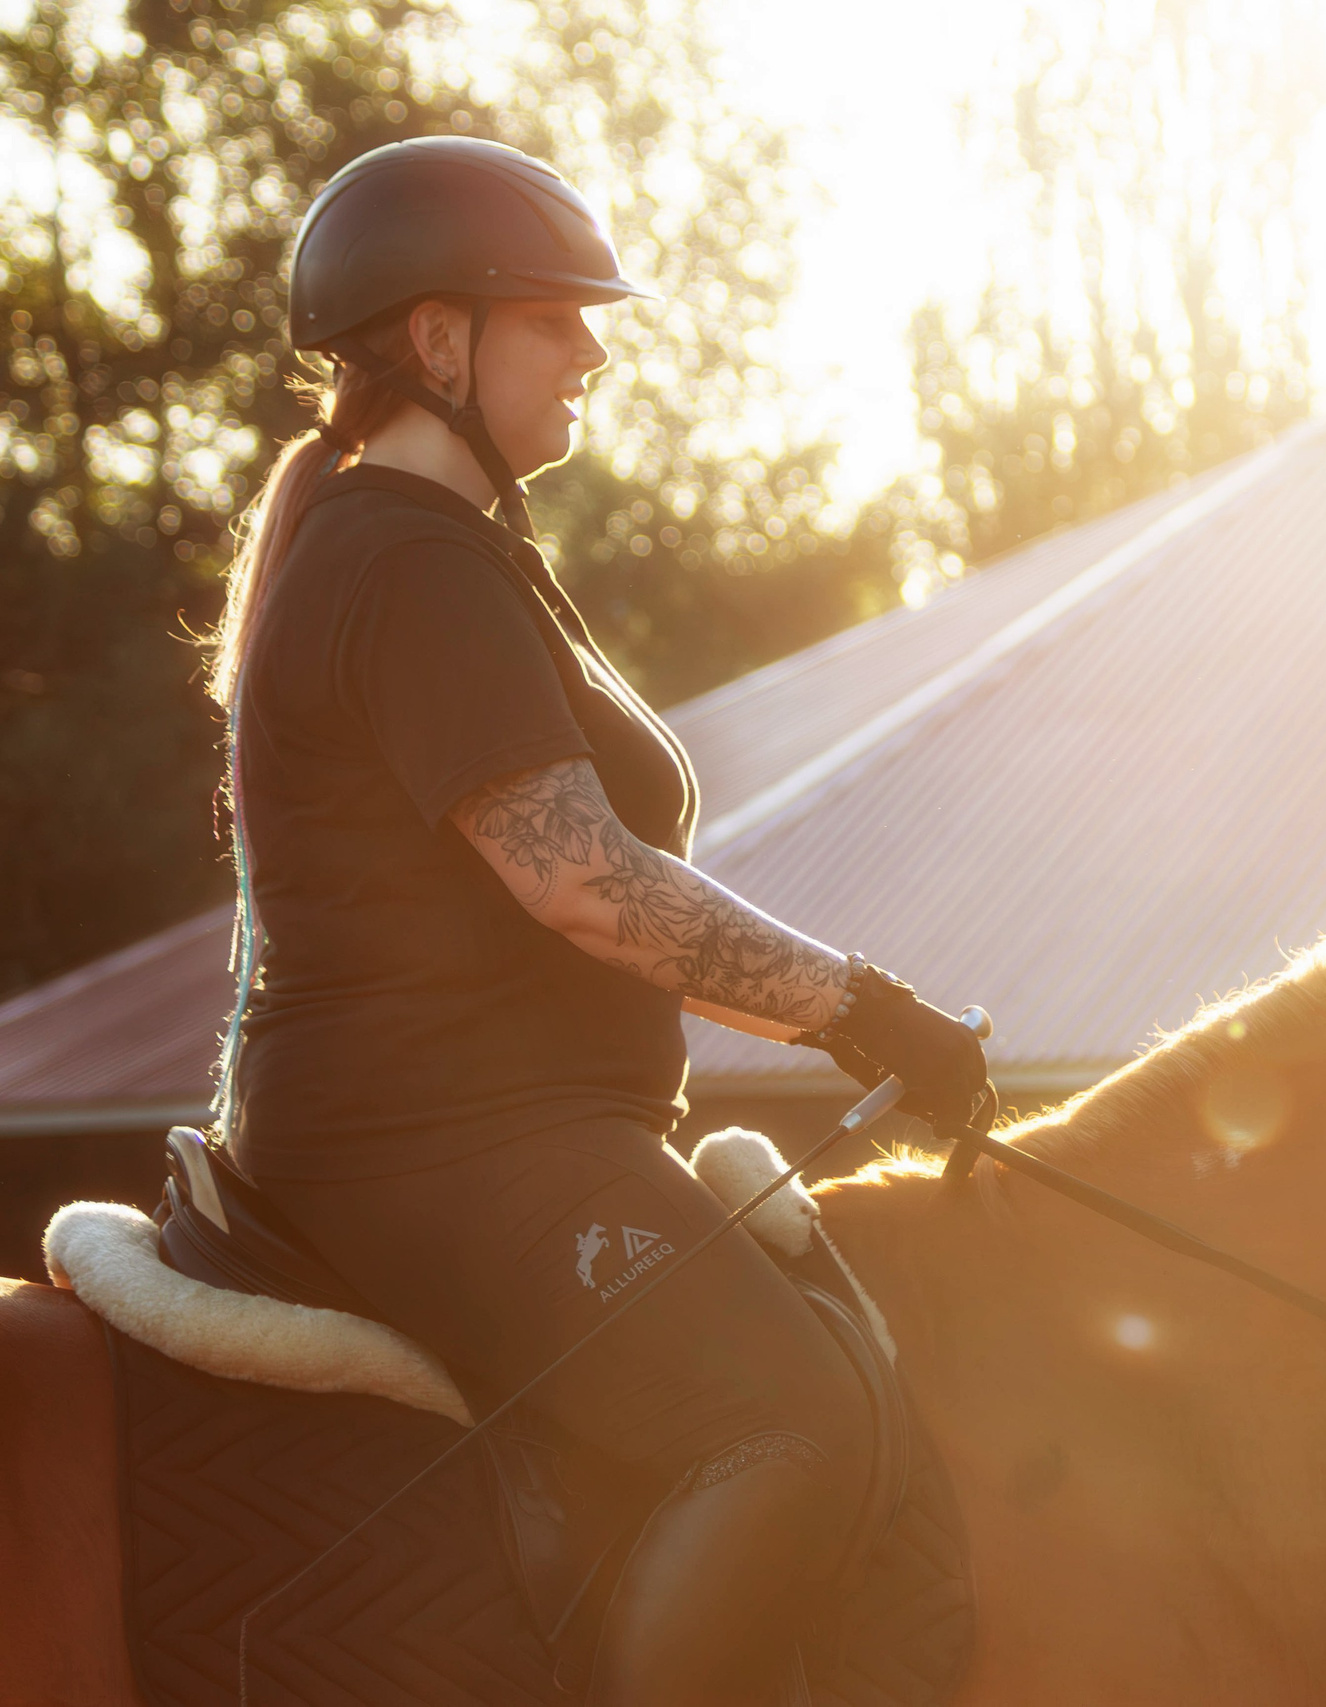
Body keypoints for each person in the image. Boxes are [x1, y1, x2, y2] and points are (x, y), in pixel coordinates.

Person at [205, 136, 989, 1706]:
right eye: (556, 319)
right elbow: (581, 877)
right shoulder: (407, 567)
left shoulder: (455, 553)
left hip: (503, 1134)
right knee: (797, 1425)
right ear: (440, 340)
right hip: (435, 1145)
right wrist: (857, 1006)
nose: (596, 352)